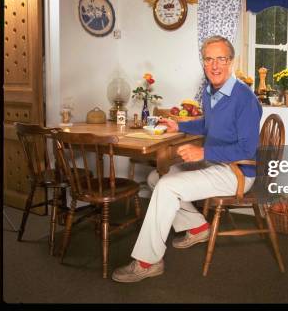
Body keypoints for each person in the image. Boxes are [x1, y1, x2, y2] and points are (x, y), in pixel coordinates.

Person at [112, 35, 262, 283]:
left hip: (237, 172)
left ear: (231, 61)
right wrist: (178, 125)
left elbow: (247, 149)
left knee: (168, 186)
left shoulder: (244, 98)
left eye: (221, 59)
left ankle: (147, 262)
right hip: (217, 164)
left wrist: (204, 152)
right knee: (155, 177)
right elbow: (208, 124)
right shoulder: (210, 91)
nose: (214, 65)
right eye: (209, 59)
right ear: (203, 63)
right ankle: (198, 227)